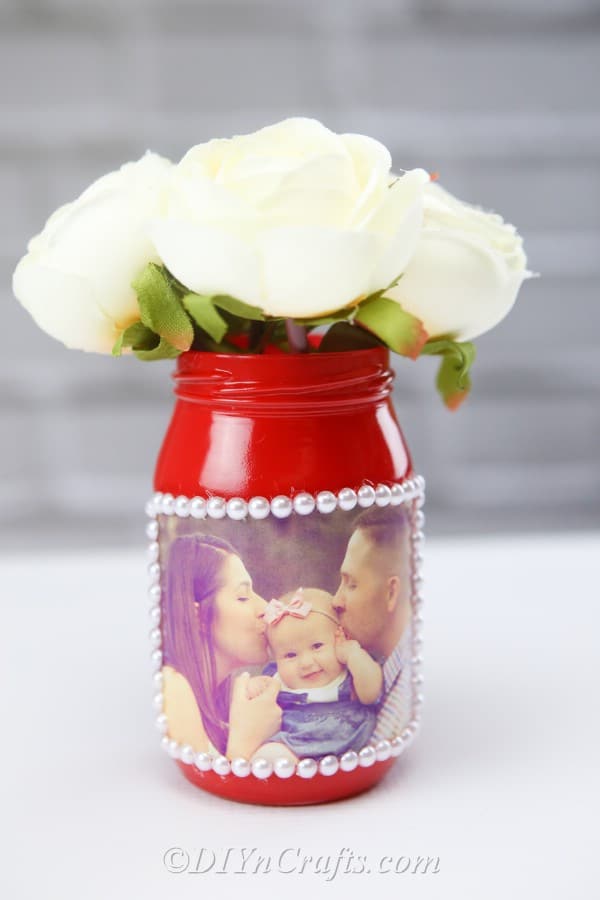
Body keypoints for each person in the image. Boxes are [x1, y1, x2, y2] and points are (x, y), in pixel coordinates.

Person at [161, 534, 282, 759]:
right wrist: (246, 739)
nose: (265, 607)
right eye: (243, 597)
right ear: (197, 616)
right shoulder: (173, 686)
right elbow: (207, 790)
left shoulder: (223, 705)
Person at [248, 588, 383, 763]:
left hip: (348, 742)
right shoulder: (275, 679)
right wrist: (255, 688)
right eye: (290, 655)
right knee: (269, 756)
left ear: (341, 638)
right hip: (293, 746)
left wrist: (352, 653)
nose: (306, 663)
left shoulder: (351, 669)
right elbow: (256, 708)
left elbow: (371, 694)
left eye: (317, 646)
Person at [333, 505, 412, 741]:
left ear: (390, 593)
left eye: (352, 584)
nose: (336, 600)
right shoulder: (380, 677)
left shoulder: (398, 714)